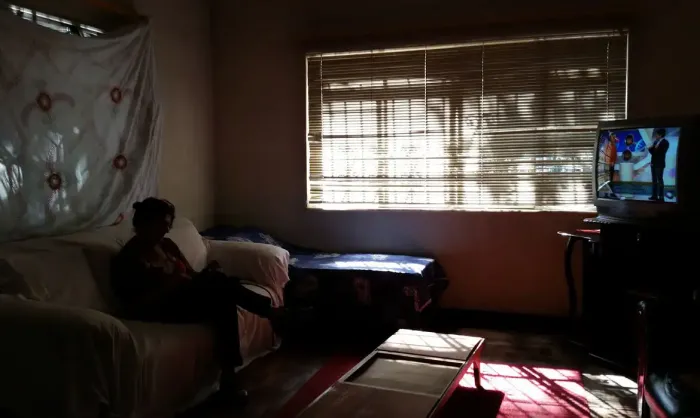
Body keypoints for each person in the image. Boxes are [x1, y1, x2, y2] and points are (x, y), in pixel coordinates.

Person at [111, 198, 291, 406]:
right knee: (222, 290)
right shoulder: (130, 258)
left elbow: (191, 275)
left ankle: (229, 378)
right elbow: (135, 306)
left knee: (222, 296)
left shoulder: (167, 245)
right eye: (163, 224)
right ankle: (272, 314)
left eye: (169, 224)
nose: (167, 229)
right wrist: (171, 284)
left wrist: (205, 273)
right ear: (145, 223)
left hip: (187, 296)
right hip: (162, 308)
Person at [648, 128, 670, 201]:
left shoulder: (665, 142)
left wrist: (654, 149)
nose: (656, 136)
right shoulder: (655, 142)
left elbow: (661, 153)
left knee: (660, 180)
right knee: (654, 180)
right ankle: (654, 196)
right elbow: (653, 153)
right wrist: (650, 148)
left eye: (657, 134)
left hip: (659, 164)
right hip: (653, 163)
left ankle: (661, 196)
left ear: (660, 135)